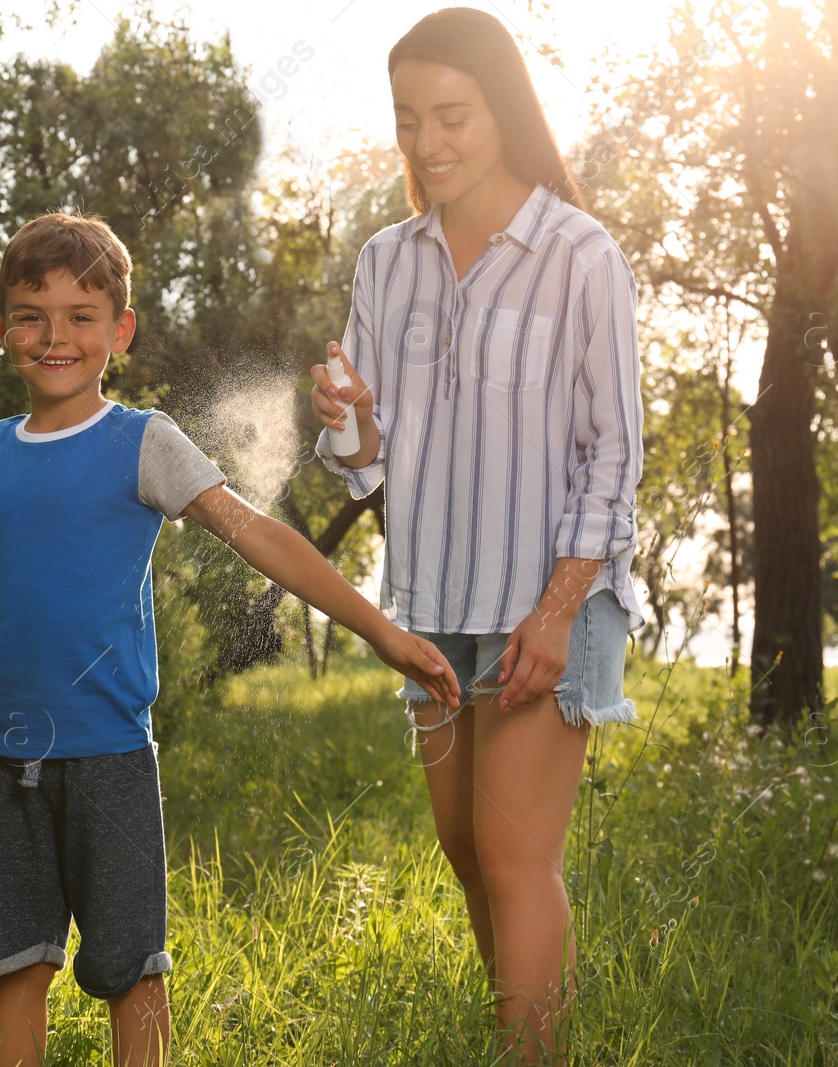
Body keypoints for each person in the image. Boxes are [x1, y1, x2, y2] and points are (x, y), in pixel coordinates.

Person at [0, 211, 461, 1067]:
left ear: (121, 330)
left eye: (80, 315)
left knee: (134, 972)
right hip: (0, 759)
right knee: (16, 965)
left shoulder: (144, 442)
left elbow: (255, 532)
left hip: (109, 755)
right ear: (2, 329)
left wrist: (381, 631)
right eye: (31, 315)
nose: (55, 336)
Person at [308, 8, 645, 1064]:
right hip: (431, 604)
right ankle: (534, 1040)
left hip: (546, 600)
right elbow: (367, 458)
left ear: (503, 110)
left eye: (451, 115)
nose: (427, 141)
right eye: (409, 119)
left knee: (511, 852)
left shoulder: (579, 254)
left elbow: (614, 452)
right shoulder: (385, 261)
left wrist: (556, 610)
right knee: (465, 850)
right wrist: (351, 416)